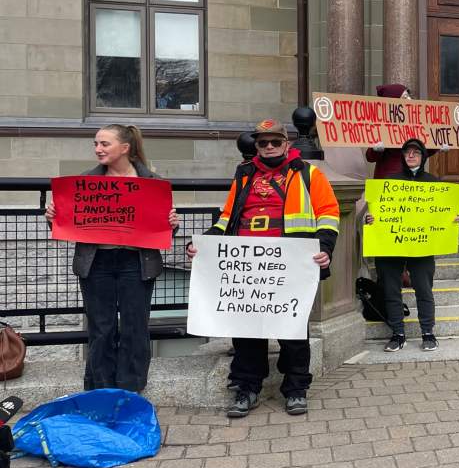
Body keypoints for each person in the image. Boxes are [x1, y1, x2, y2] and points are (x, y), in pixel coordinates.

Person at [187, 118, 340, 418]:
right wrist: (204, 245)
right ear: (256, 146)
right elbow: (227, 217)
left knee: (294, 331)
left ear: (287, 144)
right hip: (247, 267)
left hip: (291, 266)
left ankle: (296, 389)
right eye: (262, 142)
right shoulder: (244, 174)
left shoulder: (309, 173)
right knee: (246, 331)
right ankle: (247, 388)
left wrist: (324, 249)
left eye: (275, 142)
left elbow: (329, 213)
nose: (269, 147)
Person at [45, 125, 179, 393]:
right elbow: (70, 224)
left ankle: (131, 389)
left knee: (134, 326)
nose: (98, 149)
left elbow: (159, 228)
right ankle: (100, 390)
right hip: (97, 263)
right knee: (101, 327)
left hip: (135, 262)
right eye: (96, 143)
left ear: (125, 148)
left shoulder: (152, 182)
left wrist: (171, 223)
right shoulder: (84, 182)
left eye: (105, 144)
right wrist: (53, 217)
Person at [365, 138, 445, 352]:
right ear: (402, 155)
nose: (411, 156)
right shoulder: (388, 182)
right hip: (390, 245)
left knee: (424, 289)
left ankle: (428, 332)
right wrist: (370, 219)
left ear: (423, 157)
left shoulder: (434, 183)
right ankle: (397, 334)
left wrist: (452, 220)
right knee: (391, 289)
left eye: (416, 153)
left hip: (422, 245)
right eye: (407, 152)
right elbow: (374, 212)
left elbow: (443, 215)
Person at [365, 83, 413, 179]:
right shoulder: (381, 124)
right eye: (405, 97)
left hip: (411, 180)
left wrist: (435, 147)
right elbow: (370, 157)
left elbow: (422, 150)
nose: (410, 100)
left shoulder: (415, 122)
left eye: (409, 96)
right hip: (389, 181)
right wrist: (376, 150)